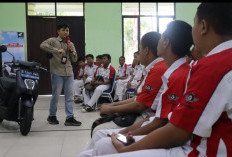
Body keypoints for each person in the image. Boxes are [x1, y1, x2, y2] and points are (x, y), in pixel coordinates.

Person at [84, 3, 232, 157]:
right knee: (102, 142)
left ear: (203, 26)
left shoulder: (211, 67)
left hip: (195, 149)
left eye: (194, 22)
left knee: (102, 143)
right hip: (186, 139)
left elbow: (175, 130)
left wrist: (126, 144)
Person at [78, 20, 193, 157]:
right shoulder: (170, 71)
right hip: (154, 122)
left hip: (164, 132)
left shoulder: (173, 73)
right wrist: (123, 133)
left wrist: (124, 135)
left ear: (166, 42)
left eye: (161, 37)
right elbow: (157, 117)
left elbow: (157, 120)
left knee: (103, 141)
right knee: (101, 140)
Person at [93, 32, 168, 135]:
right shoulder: (154, 67)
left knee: (99, 131)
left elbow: (140, 106)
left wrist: (111, 108)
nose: (138, 54)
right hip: (145, 111)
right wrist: (112, 105)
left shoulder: (158, 69)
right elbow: (139, 98)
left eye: (140, 49)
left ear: (146, 51)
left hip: (148, 116)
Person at [40, 23, 82, 126]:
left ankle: (70, 117)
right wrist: (56, 50)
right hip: (57, 72)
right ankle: (52, 116)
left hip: (69, 72)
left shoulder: (70, 43)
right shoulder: (53, 41)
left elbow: (75, 59)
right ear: (58, 31)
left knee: (70, 97)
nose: (66, 32)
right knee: (56, 96)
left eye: (67, 30)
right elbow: (42, 45)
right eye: (63, 30)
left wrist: (72, 51)